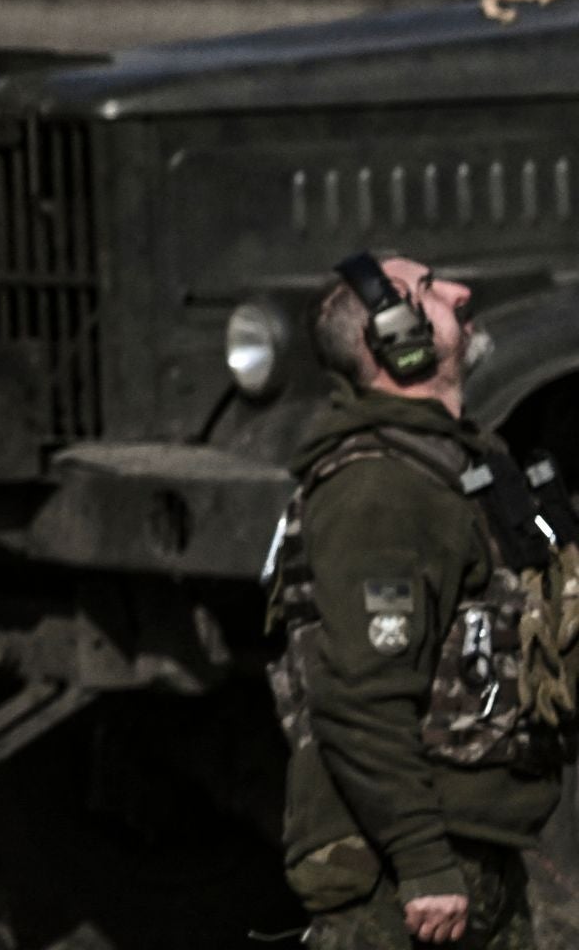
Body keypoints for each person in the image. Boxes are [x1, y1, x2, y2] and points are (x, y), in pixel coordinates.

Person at [268, 251, 577, 948]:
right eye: (432, 290)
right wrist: (423, 861)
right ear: (397, 339)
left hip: (476, 850)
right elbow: (358, 699)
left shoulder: (460, 465)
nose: (465, 293)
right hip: (405, 875)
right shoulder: (380, 488)